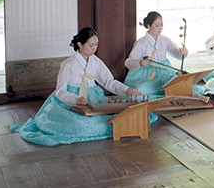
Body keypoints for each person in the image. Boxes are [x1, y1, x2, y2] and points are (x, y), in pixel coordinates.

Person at [10, 27, 152, 146]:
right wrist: (75, 99)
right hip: (68, 102)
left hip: (93, 99)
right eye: (91, 45)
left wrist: (127, 90)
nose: (94, 48)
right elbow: (60, 91)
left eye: (96, 45)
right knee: (79, 125)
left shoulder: (95, 62)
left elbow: (109, 82)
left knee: (111, 120)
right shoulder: (69, 64)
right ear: (79, 44)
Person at [124, 11, 204, 96]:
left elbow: (177, 54)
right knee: (140, 90)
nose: (160, 28)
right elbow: (128, 62)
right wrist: (140, 62)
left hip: (165, 75)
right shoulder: (141, 43)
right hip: (146, 77)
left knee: (186, 87)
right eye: (157, 25)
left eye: (162, 25)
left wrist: (183, 52)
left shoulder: (164, 40)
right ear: (149, 26)